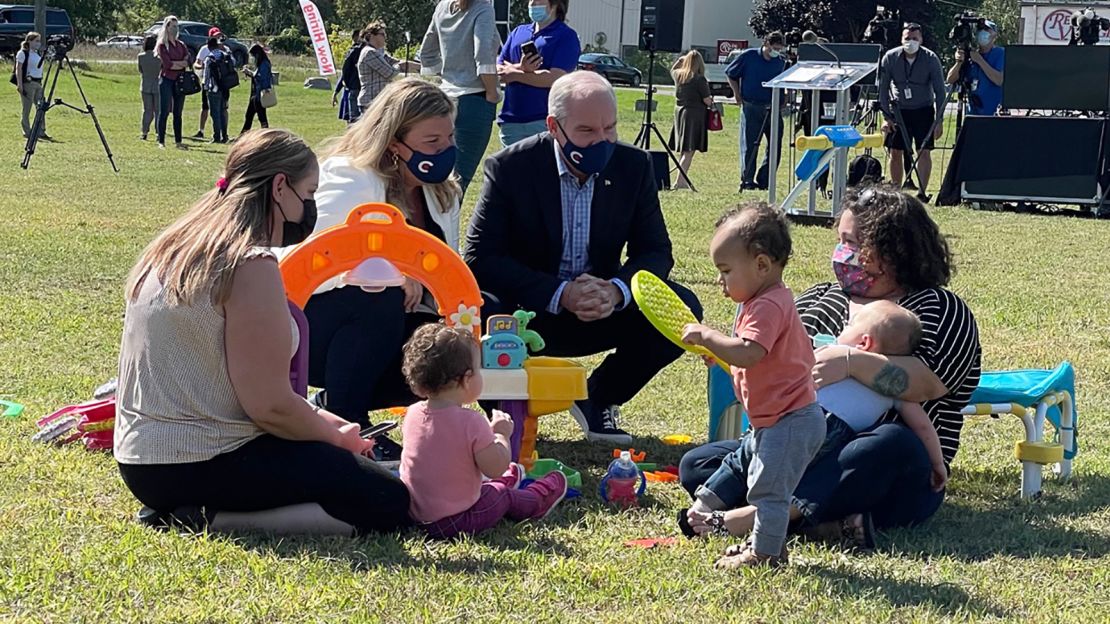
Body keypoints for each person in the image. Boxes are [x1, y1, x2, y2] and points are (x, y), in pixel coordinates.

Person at [114, 129, 411, 535]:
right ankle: (208, 519)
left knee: (350, 474)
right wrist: (335, 439)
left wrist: (331, 424)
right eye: (308, 195)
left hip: (142, 459)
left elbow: (240, 392)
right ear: (279, 187)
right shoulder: (250, 265)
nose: (310, 208)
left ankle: (199, 509)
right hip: (199, 460)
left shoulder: (174, 245)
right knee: (387, 500)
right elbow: (268, 407)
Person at [679, 186, 981, 552]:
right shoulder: (819, 298)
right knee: (699, 463)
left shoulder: (936, 309)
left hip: (876, 464)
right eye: (840, 240)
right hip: (798, 441)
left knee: (892, 444)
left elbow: (925, 385)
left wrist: (850, 362)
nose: (842, 253)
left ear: (893, 250)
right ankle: (824, 524)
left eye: (852, 242)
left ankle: (755, 518)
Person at [465, 71, 703, 445]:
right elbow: (480, 257)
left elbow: (656, 250)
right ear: (553, 127)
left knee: (683, 305)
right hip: (529, 311)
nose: (602, 140)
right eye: (587, 131)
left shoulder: (634, 166)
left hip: (602, 308)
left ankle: (598, 398)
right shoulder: (509, 168)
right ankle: (509, 414)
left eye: (609, 128)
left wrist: (618, 290)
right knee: (477, 311)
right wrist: (560, 293)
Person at [277, 78, 461, 459]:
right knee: (377, 294)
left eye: (450, 138)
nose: (446, 150)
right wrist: (395, 267)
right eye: (432, 142)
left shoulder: (442, 192)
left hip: (389, 327)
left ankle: (336, 403)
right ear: (395, 142)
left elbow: (445, 274)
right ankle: (349, 422)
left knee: (458, 334)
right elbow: (300, 265)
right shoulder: (350, 178)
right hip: (310, 328)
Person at [682, 300, 949, 541]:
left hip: (800, 431)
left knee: (741, 462)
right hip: (817, 445)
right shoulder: (892, 391)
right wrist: (938, 465)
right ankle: (807, 523)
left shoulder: (832, 354)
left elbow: (774, 383)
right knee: (699, 463)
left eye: (851, 324)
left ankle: (723, 513)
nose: (845, 325)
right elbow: (923, 426)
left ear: (864, 342)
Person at [679, 204, 824, 568]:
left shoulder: (767, 306)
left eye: (726, 271)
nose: (719, 280)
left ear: (761, 265)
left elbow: (750, 353)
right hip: (777, 418)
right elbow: (758, 363)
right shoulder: (764, 299)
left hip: (790, 420)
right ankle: (771, 546)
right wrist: (721, 357)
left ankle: (764, 553)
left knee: (768, 492)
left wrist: (709, 337)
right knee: (758, 476)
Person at [399, 324, 569, 538]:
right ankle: (537, 500)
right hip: (458, 520)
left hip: (416, 517)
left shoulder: (413, 413)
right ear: (467, 378)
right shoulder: (471, 421)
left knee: (487, 488)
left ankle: (507, 482)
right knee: (501, 495)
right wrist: (501, 434)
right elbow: (495, 467)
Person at [419, 0, 502, 195]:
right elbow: (482, 54)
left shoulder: (442, 7)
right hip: (475, 99)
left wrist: (449, 76)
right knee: (458, 182)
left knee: (437, 177)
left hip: (444, 98)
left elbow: (426, 53)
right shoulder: (483, 8)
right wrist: (492, 92)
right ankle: (442, 225)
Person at [496, 0, 580, 147]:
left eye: (538, 0)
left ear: (555, 5)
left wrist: (515, 74)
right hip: (511, 121)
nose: (532, 3)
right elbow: (498, 71)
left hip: (544, 121)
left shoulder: (566, 36)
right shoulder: (518, 32)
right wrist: (522, 67)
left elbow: (555, 78)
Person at [878, 23, 947, 200]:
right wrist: (886, 116)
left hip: (923, 110)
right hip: (899, 111)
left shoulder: (931, 59)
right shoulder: (890, 57)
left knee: (923, 151)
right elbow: (883, 89)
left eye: (914, 39)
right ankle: (896, 192)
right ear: (901, 39)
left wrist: (939, 120)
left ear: (921, 40)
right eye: (907, 38)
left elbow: (940, 92)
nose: (911, 42)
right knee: (895, 151)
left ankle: (922, 192)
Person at [726, 32, 786, 192]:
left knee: (775, 145)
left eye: (779, 49)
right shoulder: (748, 56)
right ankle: (747, 180)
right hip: (751, 105)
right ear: (765, 44)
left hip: (773, 107)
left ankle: (765, 179)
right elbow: (731, 74)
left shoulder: (780, 61)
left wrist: (784, 98)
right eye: (773, 49)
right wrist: (737, 94)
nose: (775, 52)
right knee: (750, 144)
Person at [668, 50, 713, 190]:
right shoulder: (699, 79)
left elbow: (673, 69)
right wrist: (712, 101)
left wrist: (682, 59)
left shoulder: (679, 76)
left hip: (680, 113)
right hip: (694, 115)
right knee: (689, 150)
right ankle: (680, 181)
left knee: (684, 149)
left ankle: (681, 180)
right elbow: (707, 100)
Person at [946, 20, 1004, 117]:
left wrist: (980, 60)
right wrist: (958, 62)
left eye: (986, 29)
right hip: (973, 114)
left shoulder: (1000, 53)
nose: (982, 32)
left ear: (994, 35)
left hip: (994, 114)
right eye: (980, 29)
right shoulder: (970, 56)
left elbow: (999, 80)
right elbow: (950, 79)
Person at [356, 21, 417, 111]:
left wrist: (424, 68)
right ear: (372, 35)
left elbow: (397, 62)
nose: (385, 37)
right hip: (370, 102)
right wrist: (400, 66)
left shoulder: (379, 51)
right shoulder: (369, 52)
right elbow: (390, 73)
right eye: (382, 34)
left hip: (379, 100)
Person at [155, 15, 190, 149]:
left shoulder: (181, 45)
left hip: (180, 81)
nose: (175, 29)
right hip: (166, 80)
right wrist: (179, 64)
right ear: (167, 27)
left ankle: (178, 141)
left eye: (177, 26)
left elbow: (188, 61)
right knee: (164, 111)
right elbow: (168, 64)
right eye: (173, 26)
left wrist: (180, 64)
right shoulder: (162, 45)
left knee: (178, 112)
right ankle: (161, 141)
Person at [193, 27, 230, 140]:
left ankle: (218, 135)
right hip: (219, 85)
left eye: (219, 36)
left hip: (214, 86)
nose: (218, 38)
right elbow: (197, 64)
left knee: (218, 111)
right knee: (206, 108)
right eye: (215, 36)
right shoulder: (205, 50)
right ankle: (205, 131)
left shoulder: (224, 50)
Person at [14, 31, 48, 141]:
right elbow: (18, 69)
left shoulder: (37, 53)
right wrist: (20, 84)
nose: (38, 43)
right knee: (27, 108)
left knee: (41, 107)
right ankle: (27, 131)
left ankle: (41, 130)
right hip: (28, 82)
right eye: (36, 41)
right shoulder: (23, 53)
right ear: (29, 41)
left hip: (38, 82)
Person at [201, 36, 231, 144]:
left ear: (209, 46)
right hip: (224, 87)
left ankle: (216, 136)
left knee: (215, 113)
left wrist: (205, 88)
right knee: (223, 112)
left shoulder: (209, 58)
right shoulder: (225, 55)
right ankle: (225, 135)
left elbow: (207, 75)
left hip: (213, 88)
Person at [240, 44, 273, 135]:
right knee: (249, 115)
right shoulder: (261, 63)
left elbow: (261, 77)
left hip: (260, 94)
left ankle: (266, 134)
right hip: (255, 93)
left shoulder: (264, 64)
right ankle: (243, 135)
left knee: (261, 116)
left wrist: (249, 73)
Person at [332, 29, 363, 124]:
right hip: (353, 87)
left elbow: (344, 72)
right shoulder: (355, 51)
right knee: (352, 117)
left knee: (353, 118)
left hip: (353, 88)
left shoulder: (356, 51)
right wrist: (336, 91)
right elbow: (344, 73)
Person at [137, 35, 161, 141]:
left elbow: (140, 70)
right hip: (157, 85)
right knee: (158, 111)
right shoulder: (159, 57)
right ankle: (158, 132)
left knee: (147, 110)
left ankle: (144, 132)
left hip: (145, 85)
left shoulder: (141, 56)